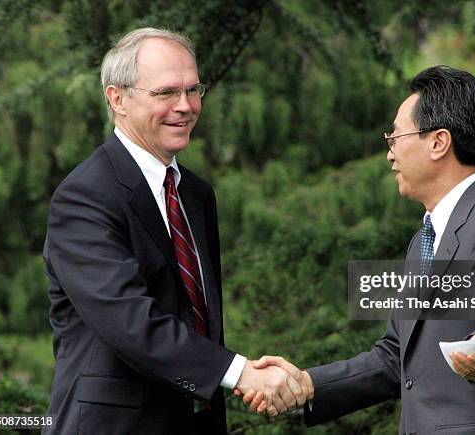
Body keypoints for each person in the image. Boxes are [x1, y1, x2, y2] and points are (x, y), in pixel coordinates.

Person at [243, 65, 475, 434]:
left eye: (396, 136)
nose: (389, 154)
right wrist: (309, 384)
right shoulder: (423, 240)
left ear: (438, 142)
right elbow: (394, 358)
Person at [43, 28, 306, 435]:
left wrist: (230, 378)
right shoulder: (84, 197)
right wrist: (240, 373)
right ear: (117, 99)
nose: (184, 106)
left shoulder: (196, 194)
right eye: (165, 93)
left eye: (193, 90)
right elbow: (131, 322)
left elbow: (199, 317)